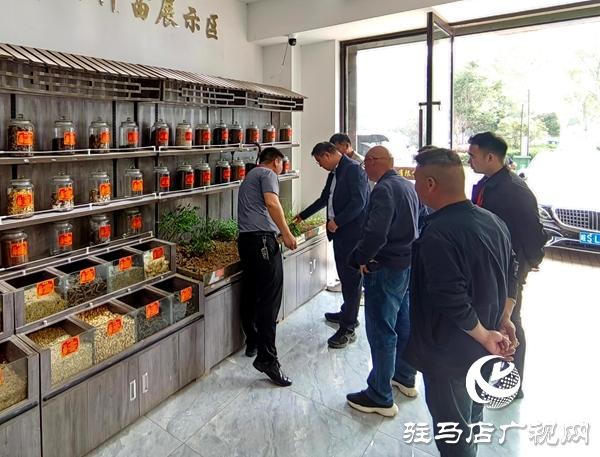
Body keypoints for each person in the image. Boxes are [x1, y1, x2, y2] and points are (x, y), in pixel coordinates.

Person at [403, 148, 518, 457]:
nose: (415, 186)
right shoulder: (492, 221)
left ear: (430, 184)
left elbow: (450, 297)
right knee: (472, 420)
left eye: (417, 180)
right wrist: (504, 318)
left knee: (454, 434)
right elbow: (512, 271)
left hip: (451, 353)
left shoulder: (438, 233)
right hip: (485, 346)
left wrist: (484, 335)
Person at [468, 132, 547, 398]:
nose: (469, 161)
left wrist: (525, 266)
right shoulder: (485, 184)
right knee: (492, 320)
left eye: (473, 156)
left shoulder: (515, 189)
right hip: (488, 266)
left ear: (490, 157)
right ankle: (487, 375)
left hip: (509, 269)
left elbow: (534, 234)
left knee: (510, 321)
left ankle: (512, 384)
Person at [345, 146, 420, 417]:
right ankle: (405, 376)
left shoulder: (384, 189)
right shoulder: (407, 185)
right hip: (405, 264)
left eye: (366, 163)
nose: (364, 169)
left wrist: (360, 259)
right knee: (403, 322)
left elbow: (376, 233)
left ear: (374, 162)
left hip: (385, 268)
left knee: (381, 330)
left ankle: (380, 395)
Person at [293, 142, 369, 348]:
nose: (320, 166)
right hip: (339, 234)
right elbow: (324, 198)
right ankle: (347, 313)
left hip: (351, 234)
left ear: (327, 155)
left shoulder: (353, 170)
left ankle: (348, 328)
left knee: (351, 279)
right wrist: (302, 215)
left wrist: (338, 221)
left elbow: (359, 202)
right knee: (345, 276)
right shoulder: (335, 172)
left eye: (319, 161)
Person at [237, 146, 298, 387]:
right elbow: (272, 204)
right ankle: (267, 359)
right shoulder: (267, 174)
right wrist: (287, 233)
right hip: (262, 240)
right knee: (269, 299)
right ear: (276, 162)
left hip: (247, 241)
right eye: (283, 163)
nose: (283, 168)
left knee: (252, 293)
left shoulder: (250, 176)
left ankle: (253, 341)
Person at [327, 133, 365, 292]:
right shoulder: (338, 169)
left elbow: (359, 201)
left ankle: (352, 303)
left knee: (352, 273)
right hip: (341, 228)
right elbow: (327, 196)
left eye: (336, 149)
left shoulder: (358, 165)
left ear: (346, 146)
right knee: (346, 272)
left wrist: (338, 221)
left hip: (353, 227)